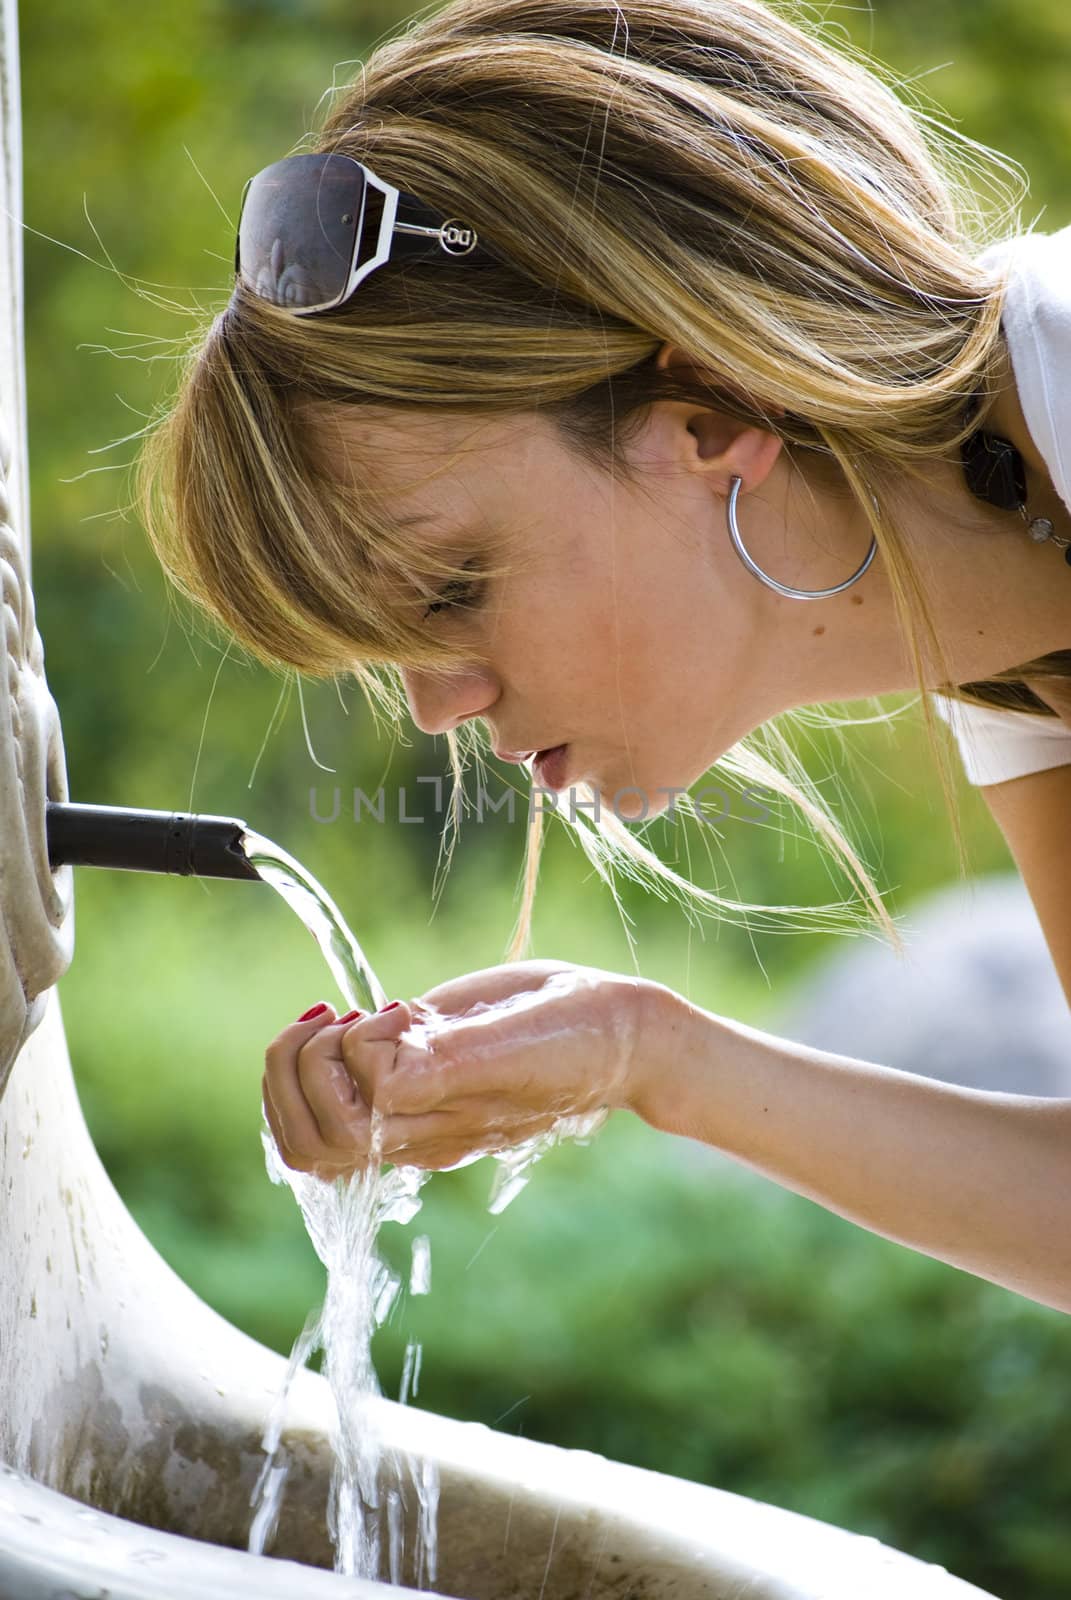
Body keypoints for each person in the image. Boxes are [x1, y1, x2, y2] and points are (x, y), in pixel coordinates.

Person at [139, 0, 1071, 1314]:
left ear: (713, 413)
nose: (436, 704)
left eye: (453, 587)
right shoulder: (1018, 623)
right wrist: (644, 1055)